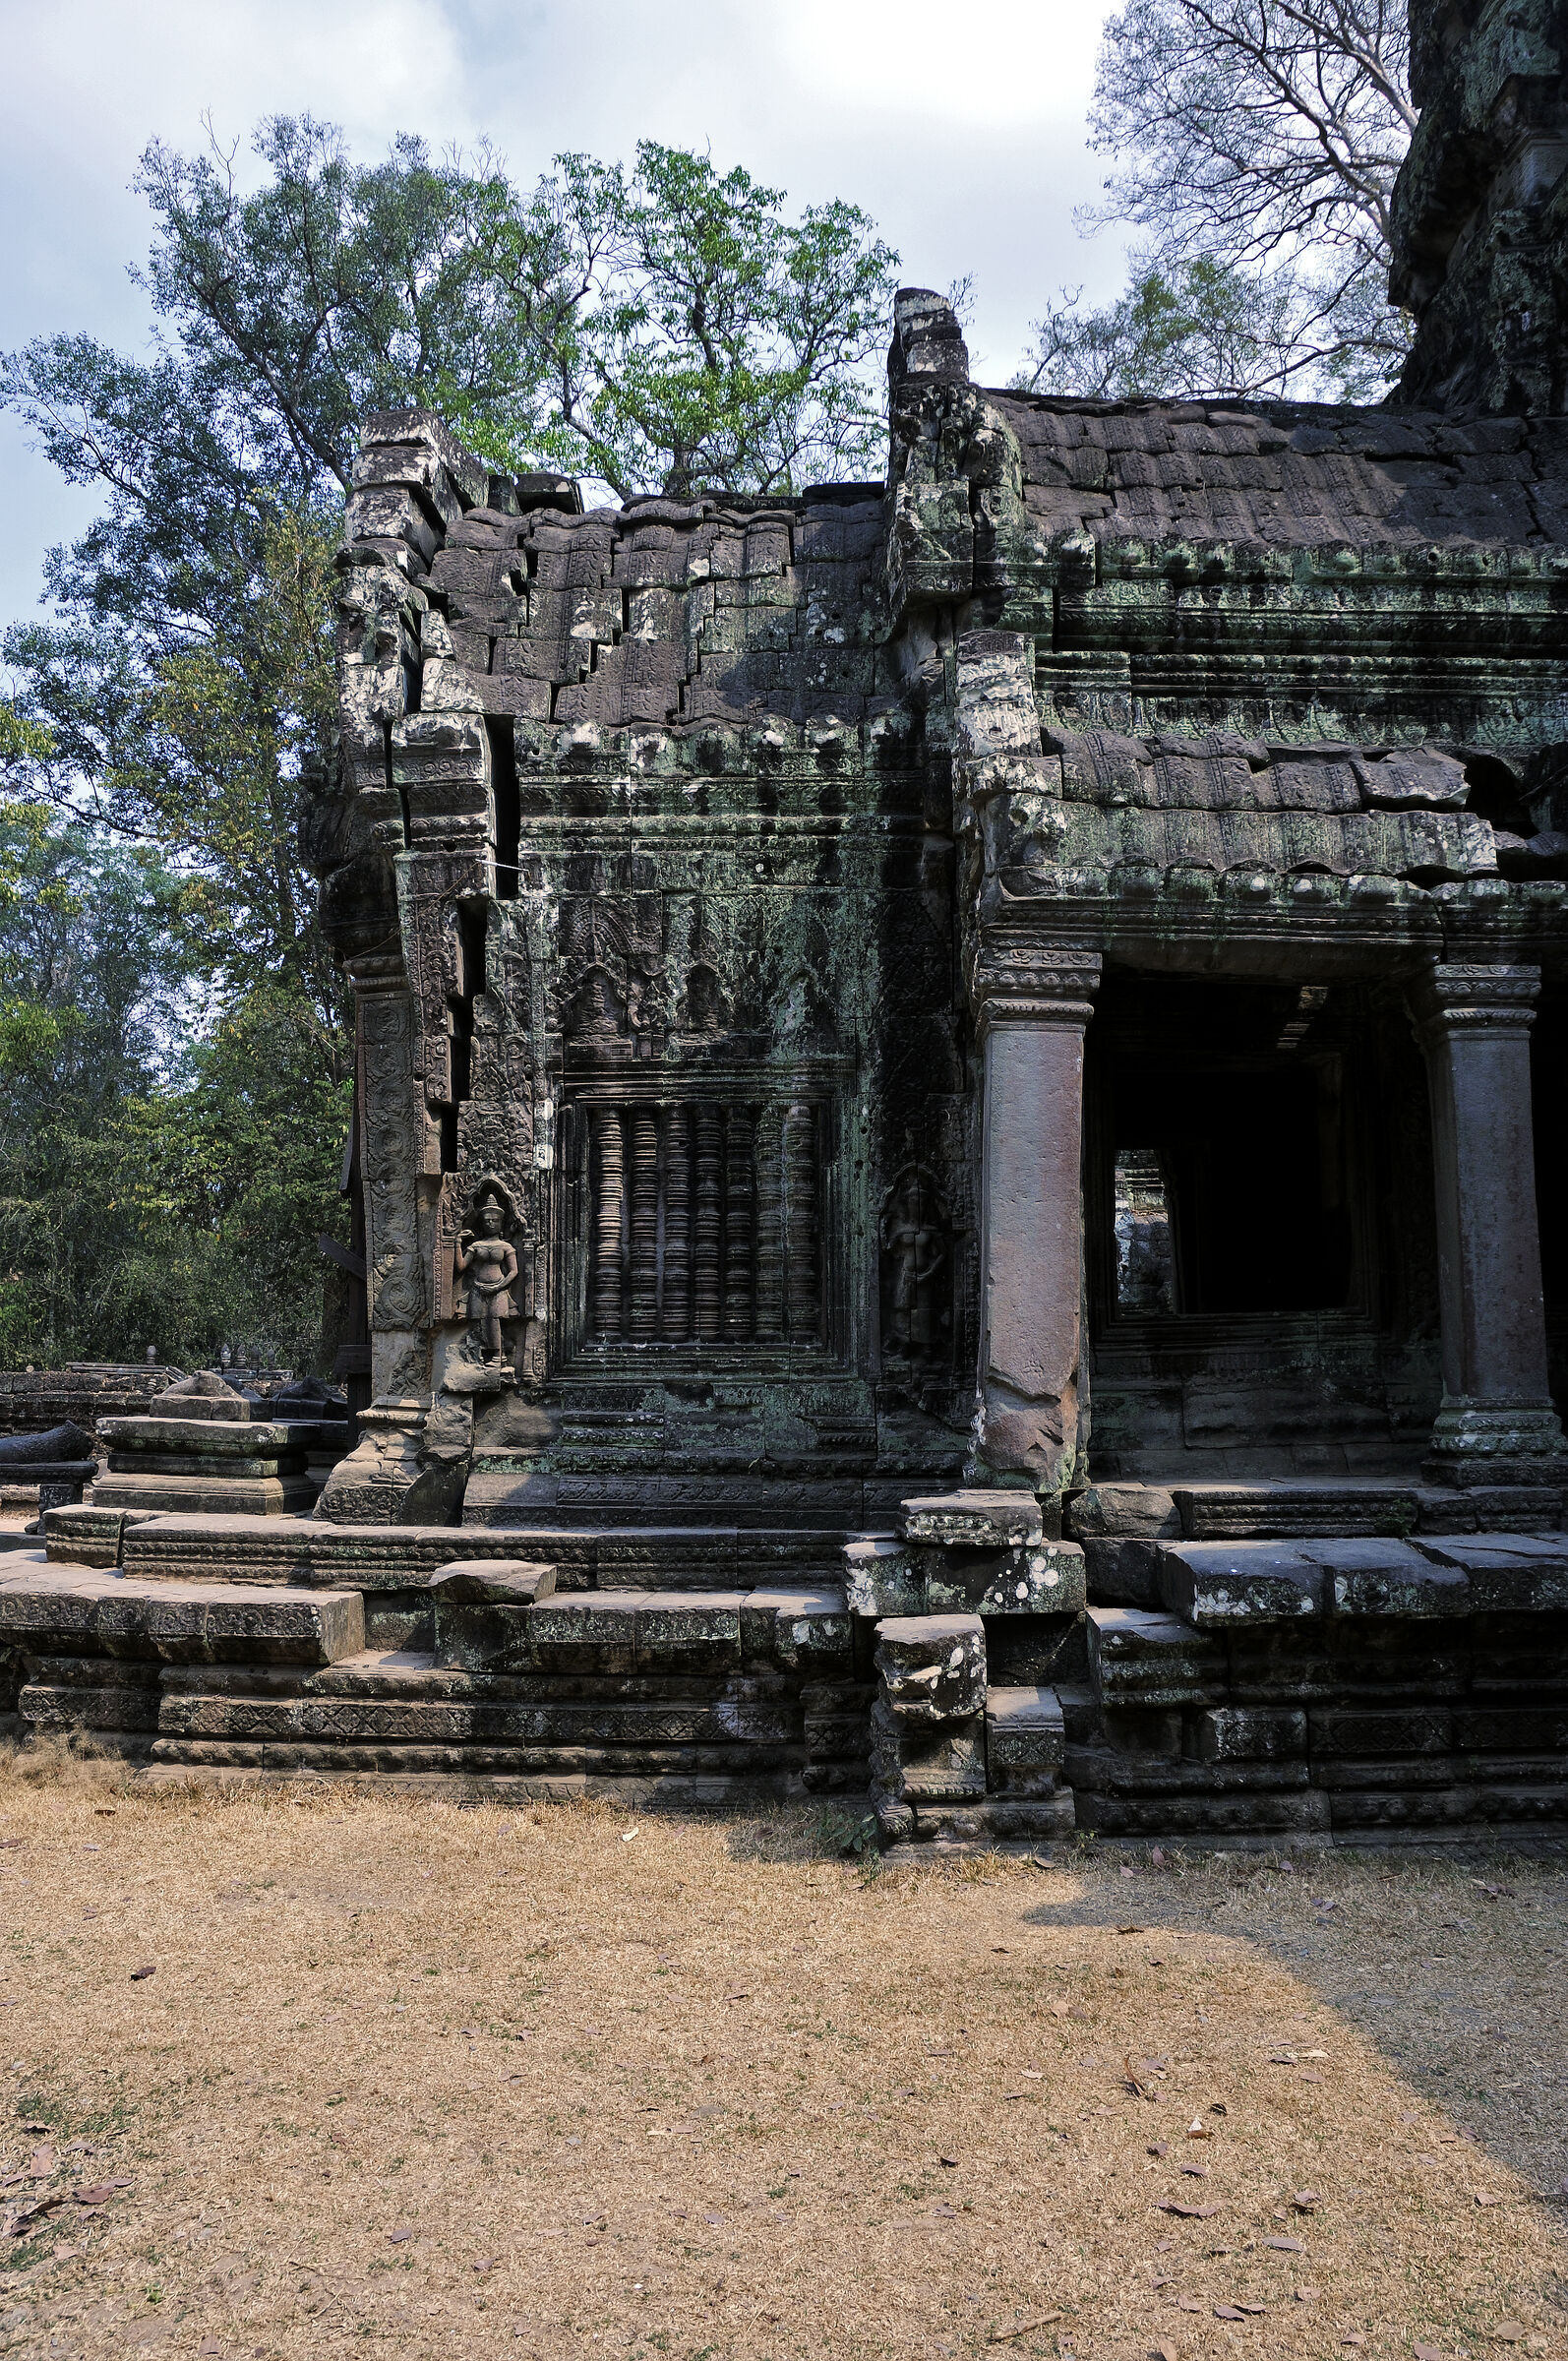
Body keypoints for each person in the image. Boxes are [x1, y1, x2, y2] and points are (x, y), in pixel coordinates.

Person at [455, 1196, 520, 1362]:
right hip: (478, 1289)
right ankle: (479, 1358)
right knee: (478, 1323)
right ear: (482, 1223)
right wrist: (457, 1242)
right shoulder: (476, 1246)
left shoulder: (506, 1247)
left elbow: (513, 1272)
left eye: (495, 1220)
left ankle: (499, 1357)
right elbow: (461, 1266)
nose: (491, 1223)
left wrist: (497, 1287)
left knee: (495, 1321)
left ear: (501, 1223)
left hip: (498, 1289)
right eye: (487, 1220)